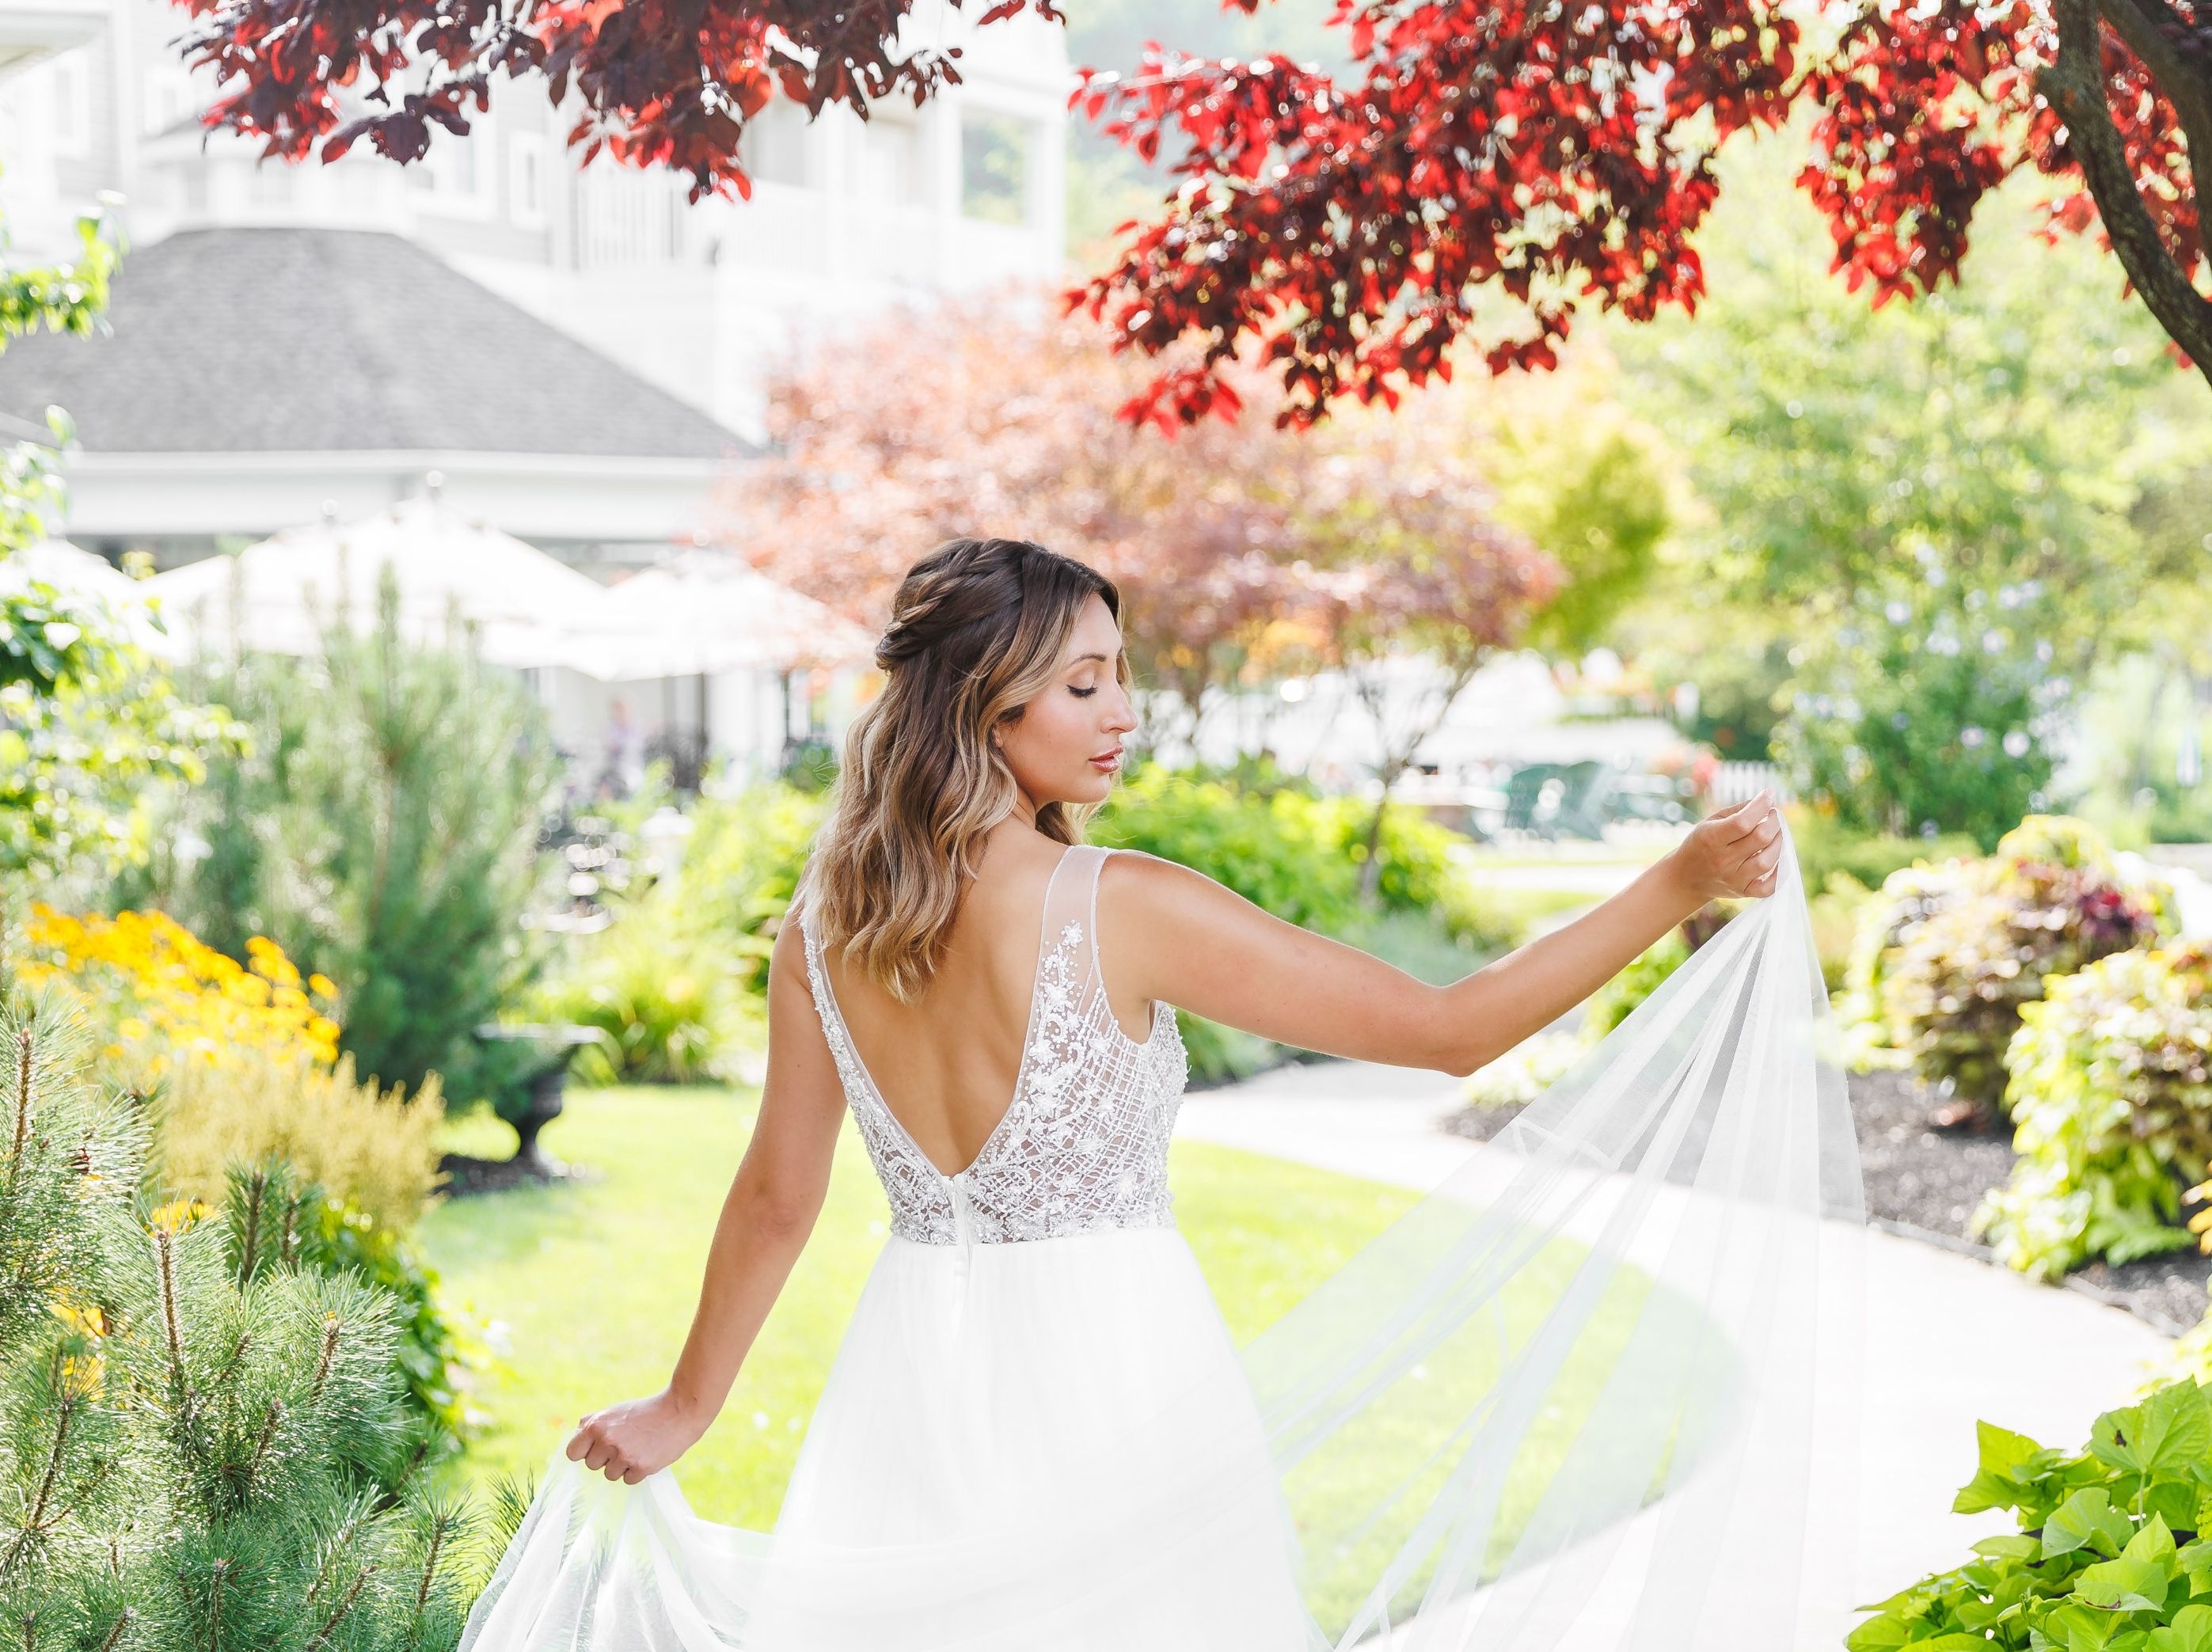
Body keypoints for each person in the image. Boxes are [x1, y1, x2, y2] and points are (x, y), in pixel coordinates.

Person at [462, 537, 1799, 1651]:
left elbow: (775, 1197)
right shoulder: (1123, 906)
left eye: (1120, 679)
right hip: (1117, 1375)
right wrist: (1673, 884)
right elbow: (1447, 1031)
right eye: (1084, 684)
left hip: (911, 1375)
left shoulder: (824, 927)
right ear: (989, 703)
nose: (1122, 714)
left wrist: (686, 1407)